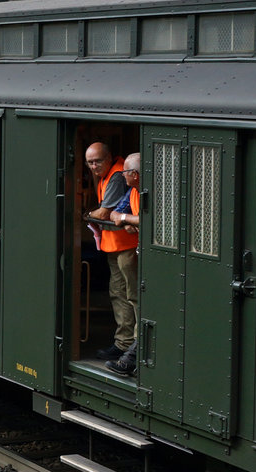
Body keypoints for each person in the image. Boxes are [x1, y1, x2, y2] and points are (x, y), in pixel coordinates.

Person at [84, 143, 137, 360]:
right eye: (90, 163)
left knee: (131, 295)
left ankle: (131, 348)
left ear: (110, 158)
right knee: (118, 293)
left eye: (98, 161)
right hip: (115, 244)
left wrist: (89, 213)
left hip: (127, 246)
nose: (94, 166)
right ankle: (123, 343)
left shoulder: (118, 175)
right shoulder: (113, 175)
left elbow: (105, 214)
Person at [105, 154, 142, 375]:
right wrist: (128, 218)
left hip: (138, 253)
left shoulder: (148, 189)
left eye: (125, 173)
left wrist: (128, 219)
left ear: (134, 175)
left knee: (138, 300)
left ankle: (133, 355)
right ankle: (131, 352)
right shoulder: (133, 191)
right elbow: (115, 212)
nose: (122, 176)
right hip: (137, 249)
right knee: (132, 297)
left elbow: (152, 218)